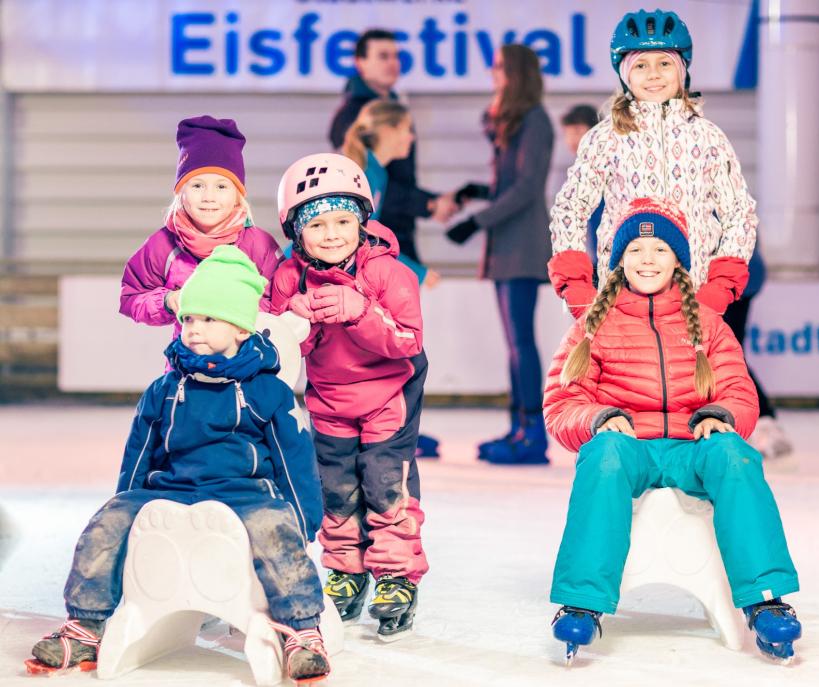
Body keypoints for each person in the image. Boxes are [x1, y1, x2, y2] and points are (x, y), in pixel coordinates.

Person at [26, 247, 329, 682]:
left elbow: (293, 457)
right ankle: (85, 627)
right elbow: (140, 450)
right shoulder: (166, 388)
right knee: (106, 522)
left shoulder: (268, 392)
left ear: (242, 327)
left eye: (208, 319)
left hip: (245, 494)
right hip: (171, 489)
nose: (194, 329)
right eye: (188, 319)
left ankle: (302, 630)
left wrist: (304, 519)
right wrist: (125, 502)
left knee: (275, 529)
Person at [543, 198, 801, 664]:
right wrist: (600, 419)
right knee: (602, 456)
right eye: (637, 250)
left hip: (690, 450)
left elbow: (741, 392)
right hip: (631, 450)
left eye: (660, 250)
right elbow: (562, 404)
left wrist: (719, 415)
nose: (647, 260)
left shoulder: (707, 324)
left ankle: (764, 597)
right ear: (619, 259)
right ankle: (582, 599)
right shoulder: (593, 325)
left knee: (736, 456)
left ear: (678, 261)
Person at [271, 154, 428, 641]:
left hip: (387, 397)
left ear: (363, 220)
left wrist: (360, 311)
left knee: (384, 484)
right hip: (328, 402)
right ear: (298, 233)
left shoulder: (388, 273)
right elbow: (275, 350)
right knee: (334, 489)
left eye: (343, 220)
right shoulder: (288, 278)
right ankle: (345, 569)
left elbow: (409, 341)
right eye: (317, 224)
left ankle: (396, 574)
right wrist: (293, 320)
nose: (333, 233)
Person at [548, 9, 757, 320]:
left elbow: (739, 213)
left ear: (682, 70)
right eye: (641, 65)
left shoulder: (708, 137)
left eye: (664, 64)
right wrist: (576, 283)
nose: (654, 74)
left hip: (693, 305)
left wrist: (720, 285)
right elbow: (571, 207)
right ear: (625, 75)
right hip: (621, 306)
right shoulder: (606, 137)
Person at [444, 44, 554, 465]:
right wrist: (475, 193)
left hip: (521, 246)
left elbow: (527, 189)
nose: (493, 74)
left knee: (521, 342)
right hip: (506, 245)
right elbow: (510, 185)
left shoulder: (536, 121)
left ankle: (532, 433)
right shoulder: (513, 121)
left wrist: (477, 222)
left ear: (517, 73)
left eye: (499, 68)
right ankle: (518, 427)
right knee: (514, 343)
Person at [120, 116, 281, 342]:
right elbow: (131, 297)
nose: (208, 197)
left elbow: (280, 301)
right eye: (197, 185)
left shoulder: (259, 245)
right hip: (185, 368)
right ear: (181, 192)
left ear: (237, 194)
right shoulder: (163, 245)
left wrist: (242, 309)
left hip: (246, 369)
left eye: (222, 186)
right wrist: (167, 301)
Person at [327, 29, 458, 261]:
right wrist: (428, 204)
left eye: (396, 56)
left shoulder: (393, 107)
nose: (392, 63)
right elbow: (371, 186)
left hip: (398, 230)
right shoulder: (352, 115)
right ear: (360, 62)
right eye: (383, 56)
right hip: (376, 240)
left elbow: (395, 179)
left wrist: (429, 202)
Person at [342, 99, 441, 290]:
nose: (412, 138)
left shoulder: (377, 173)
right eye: (407, 129)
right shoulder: (364, 173)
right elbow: (359, 240)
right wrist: (415, 271)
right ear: (388, 131)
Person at [723, 245, 795, 462]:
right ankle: (762, 418)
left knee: (726, 352)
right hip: (734, 276)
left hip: (734, 277)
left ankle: (763, 419)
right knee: (726, 351)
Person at [559, 104, 604, 272]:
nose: (572, 139)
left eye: (578, 131)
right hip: (589, 263)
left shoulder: (608, 167)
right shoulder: (577, 172)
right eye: (568, 133)